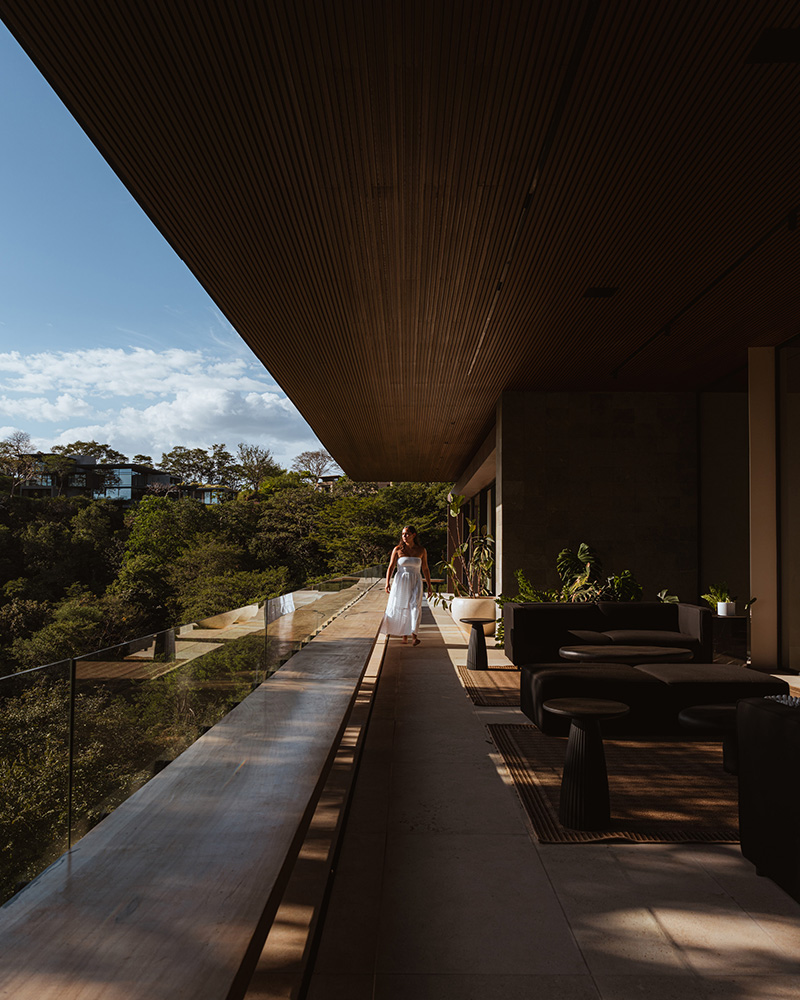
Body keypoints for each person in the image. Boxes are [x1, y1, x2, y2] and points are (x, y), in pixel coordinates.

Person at [380, 525, 433, 645]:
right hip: (401, 581)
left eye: (407, 534)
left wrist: (429, 585)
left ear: (414, 535)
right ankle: (404, 635)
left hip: (416, 580)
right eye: (403, 534)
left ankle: (414, 635)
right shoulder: (398, 549)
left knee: (415, 606)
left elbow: (425, 568)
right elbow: (391, 567)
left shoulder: (421, 550)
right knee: (403, 605)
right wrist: (387, 582)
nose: (404, 536)